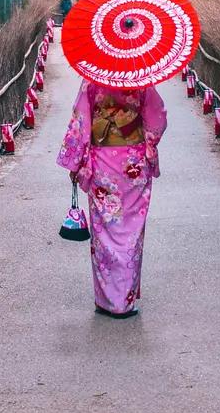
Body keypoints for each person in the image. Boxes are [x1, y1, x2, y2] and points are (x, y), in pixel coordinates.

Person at [57, 78, 166, 316]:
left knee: (104, 229)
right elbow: (158, 118)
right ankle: (124, 301)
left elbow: (80, 123)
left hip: (102, 164)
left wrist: (75, 163)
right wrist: (147, 142)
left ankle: (107, 300)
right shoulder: (142, 81)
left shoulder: (92, 81)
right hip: (133, 164)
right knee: (131, 231)